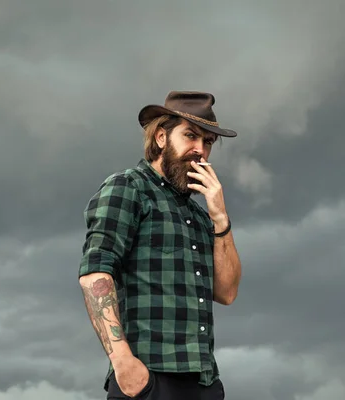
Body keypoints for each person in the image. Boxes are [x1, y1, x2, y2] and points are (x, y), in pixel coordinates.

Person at [78, 91, 242, 400]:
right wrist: (122, 361)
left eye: (207, 142)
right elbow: (95, 273)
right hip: (148, 379)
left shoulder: (197, 212)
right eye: (190, 136)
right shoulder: (129, 187)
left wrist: (220, 217)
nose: (200, 150)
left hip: (204, 382)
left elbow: (226, 292)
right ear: (162, 137)